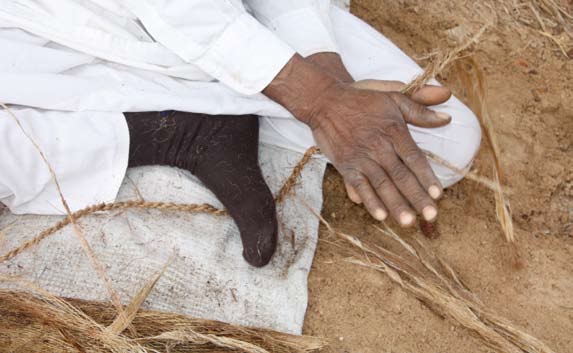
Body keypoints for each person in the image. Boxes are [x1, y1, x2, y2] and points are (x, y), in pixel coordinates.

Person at [0, 1, 481, 267]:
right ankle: (165, 132)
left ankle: (211, 114)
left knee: (447, 146)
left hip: (238, 16)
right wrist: (318, 100)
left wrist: (325, 73)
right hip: (40, 31)